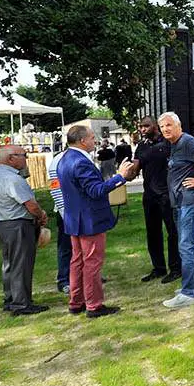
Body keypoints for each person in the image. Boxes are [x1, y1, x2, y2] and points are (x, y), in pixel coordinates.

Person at [58, 125, 132, 318]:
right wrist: (120, 177)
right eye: (92, 138)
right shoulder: (80, 162)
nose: (95, 141)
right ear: (82, 140)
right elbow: (96, 190)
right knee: (91, 263)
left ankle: (76, 302)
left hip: (74, 219)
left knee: (77, 262)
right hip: (89, 220)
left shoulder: (64, 159)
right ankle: (94, 305)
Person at [158, 112, 194, 309]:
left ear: (178, 126)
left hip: (190, 202)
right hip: (181, 202)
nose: (165, 129)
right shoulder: (175, 145)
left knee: (186, 246)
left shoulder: (186, 141)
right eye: (162, 127)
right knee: (191, 243)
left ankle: (188, 293)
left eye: (168, 125)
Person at [0, 145, 49, 315]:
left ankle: (11, 299)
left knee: (10, 263)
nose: (26, 159)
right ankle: (22, 304)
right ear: (11, 158)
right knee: (21, 264)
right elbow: (30, 205)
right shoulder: (12, 179)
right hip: (18, 224)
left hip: (3, 223)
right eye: (23, 155)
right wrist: (41, 215)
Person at [128, 116, 181, 285]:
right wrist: (127, 173)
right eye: (140, 127)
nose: (143, 129)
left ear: (155, 126)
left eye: (146, 126)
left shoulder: (168, 143)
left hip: (167, 195)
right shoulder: (141, 146)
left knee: (173, 232)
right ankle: (158, 268)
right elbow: (135, 168)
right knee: (152, 232)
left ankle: (176, 268)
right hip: (149, 195)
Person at [47, 148, 73, 294]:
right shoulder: (58, 161)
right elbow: (55, 188)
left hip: (81, 212)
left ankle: (86, 275)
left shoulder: (84, 157)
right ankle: (64, 279)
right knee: (66, 246)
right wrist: (64, 213)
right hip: (66, 213)